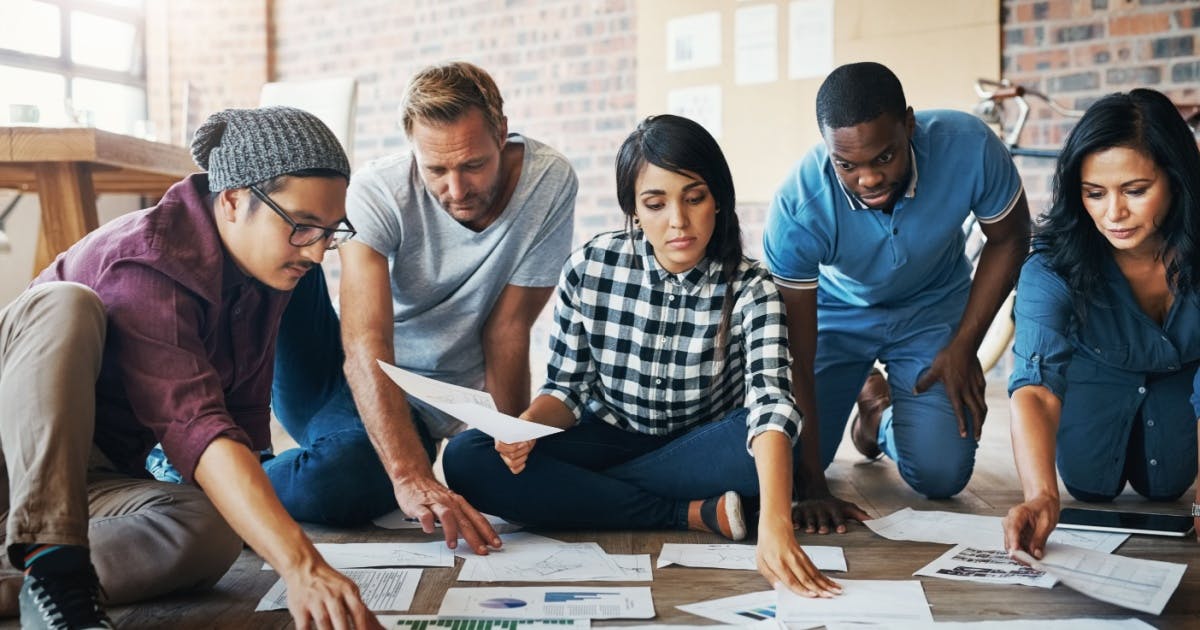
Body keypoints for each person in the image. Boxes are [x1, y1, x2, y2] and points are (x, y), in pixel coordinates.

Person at [2, 107, 382, 629]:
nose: (317, 253)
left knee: (209, 530)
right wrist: (299, 562)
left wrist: (268, 536)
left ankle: (31, 577)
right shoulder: (146, 260)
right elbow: (194, 420)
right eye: (302, 227)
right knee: (65, 303)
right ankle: (57, 571)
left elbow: (239, 420)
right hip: (13, 455)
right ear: (231, 201)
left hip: (93, 479)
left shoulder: (266, 275)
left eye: (330, 232)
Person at [443, 114, 842, 598]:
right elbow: (567, 391)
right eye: (656, 204)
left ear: (718, 199)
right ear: (633, 209)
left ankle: (582, 493)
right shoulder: (591, 267)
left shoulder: (752, 286)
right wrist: (526, 428)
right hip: (609, 436)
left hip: (702, 450)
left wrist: (775, 526)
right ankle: (690, 513)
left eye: (694, 198)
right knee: (468, 458)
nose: (678, 221)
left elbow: (770, 401)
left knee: (774, 446)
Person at [262, 61, 577, 553]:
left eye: (473, 165)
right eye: (436, 170)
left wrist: (510, 444)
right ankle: (207, 473)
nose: (456, 189)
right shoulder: (377, 189)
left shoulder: (549, 180)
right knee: (342, 482)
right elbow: (366, 341)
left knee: (359, 475)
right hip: (341, 373)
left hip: (427, 408)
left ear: (501, 133)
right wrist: (409, 474)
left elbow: (508, 329)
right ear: (412, 149)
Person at [764, 62, 1031, 528]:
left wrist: (964, 346)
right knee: (790, 468)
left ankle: (876, 416)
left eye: (884, 157)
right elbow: (796, 357)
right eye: (847, 165)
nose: (867, 179)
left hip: (931, 305)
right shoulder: (798, 205)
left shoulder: (967, 145)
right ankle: (862, 383)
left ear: (909, 124)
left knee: (942, 475)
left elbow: (1010, 238)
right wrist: (812, 487)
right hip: (836, 313)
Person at [1003, 89, 1200, 558]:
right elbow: (1034, 386)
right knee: (1088, 483)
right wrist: (1040, 495)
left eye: (1135, 190)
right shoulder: (1051, 267)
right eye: (1095, 193)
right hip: (1096, 380)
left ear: (1176, 181)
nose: (1114, 214)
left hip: (1186, 387)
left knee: (1168, 486)